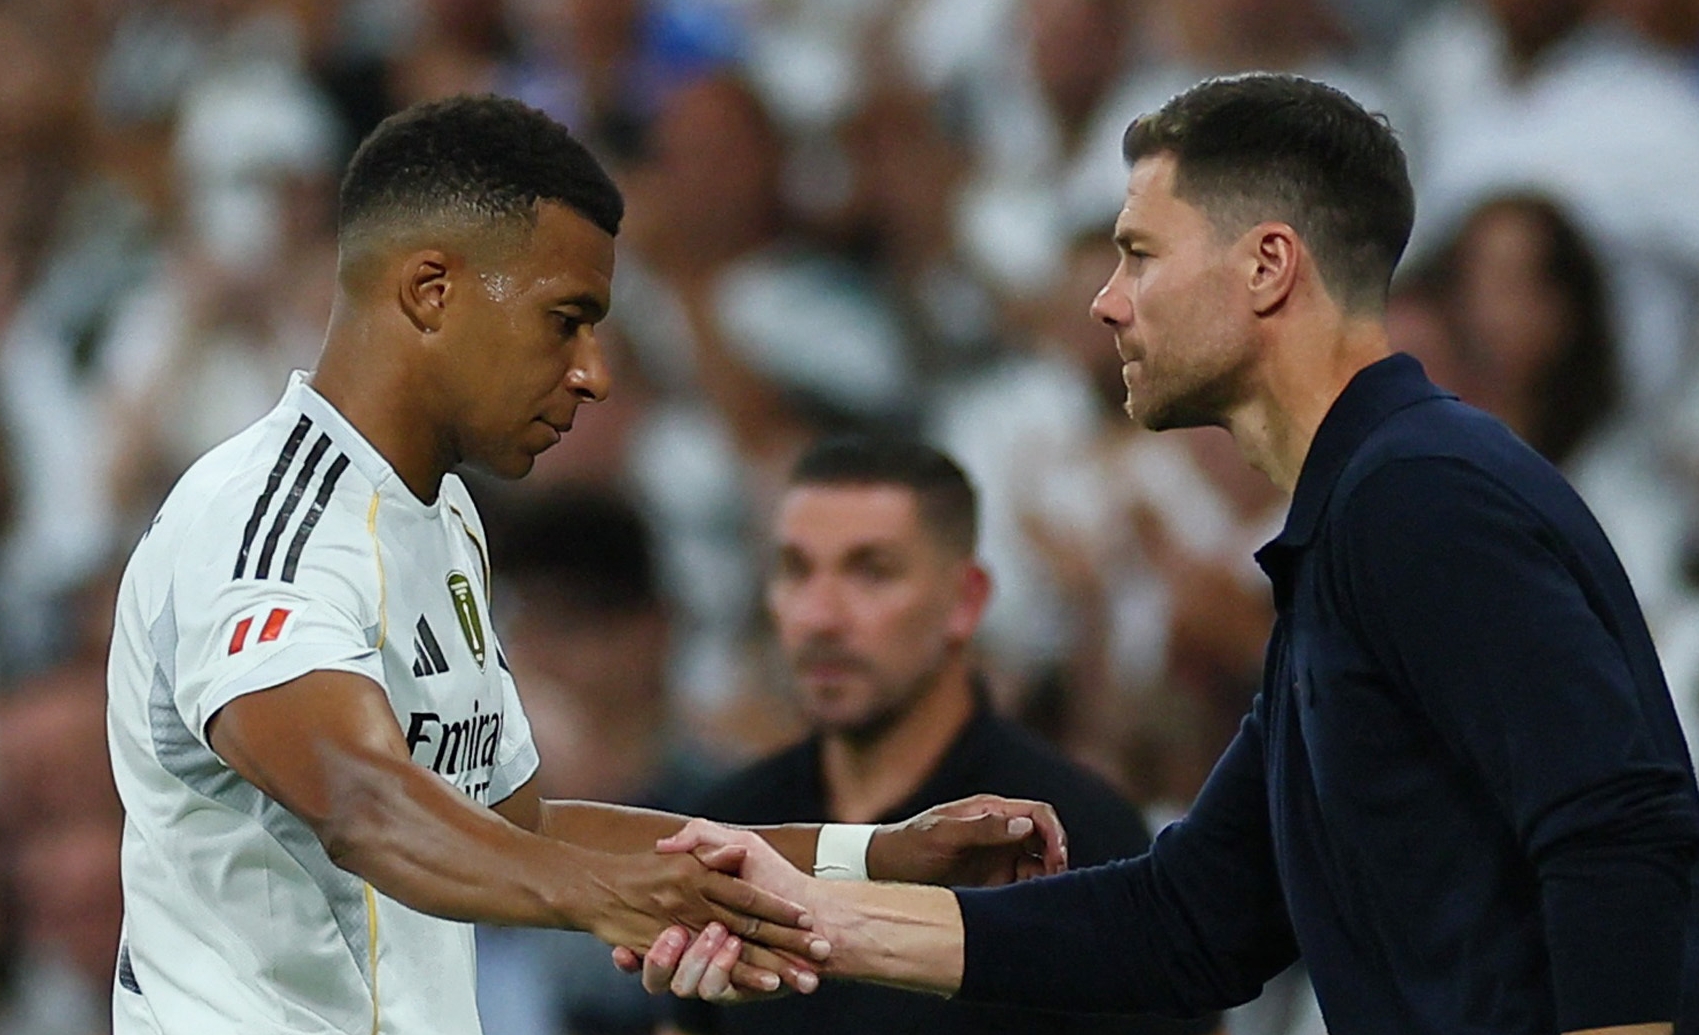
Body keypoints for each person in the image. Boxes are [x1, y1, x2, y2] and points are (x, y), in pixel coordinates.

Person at [628, 73, 1699, 1035]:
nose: (1103, 301)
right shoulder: (1359, 516)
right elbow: (1190, 919)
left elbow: (1613, 829)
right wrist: (808, 914)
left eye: (1139, 254)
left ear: (1266, 267)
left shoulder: (1421, 498)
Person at [103, 94, 1067, 1035]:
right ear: (430, 291)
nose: (593, 371)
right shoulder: (264, 521)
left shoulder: (443, 518)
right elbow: (364, 806)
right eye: (566, 319)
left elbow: (518, 827)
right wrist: (621, 900)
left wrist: (872, 856)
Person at [668, 435, 1220, 1035]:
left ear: (965, 600)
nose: (819, 616)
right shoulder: (731, 826)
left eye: (871, 572)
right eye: (796, 570)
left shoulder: (1075, 839)